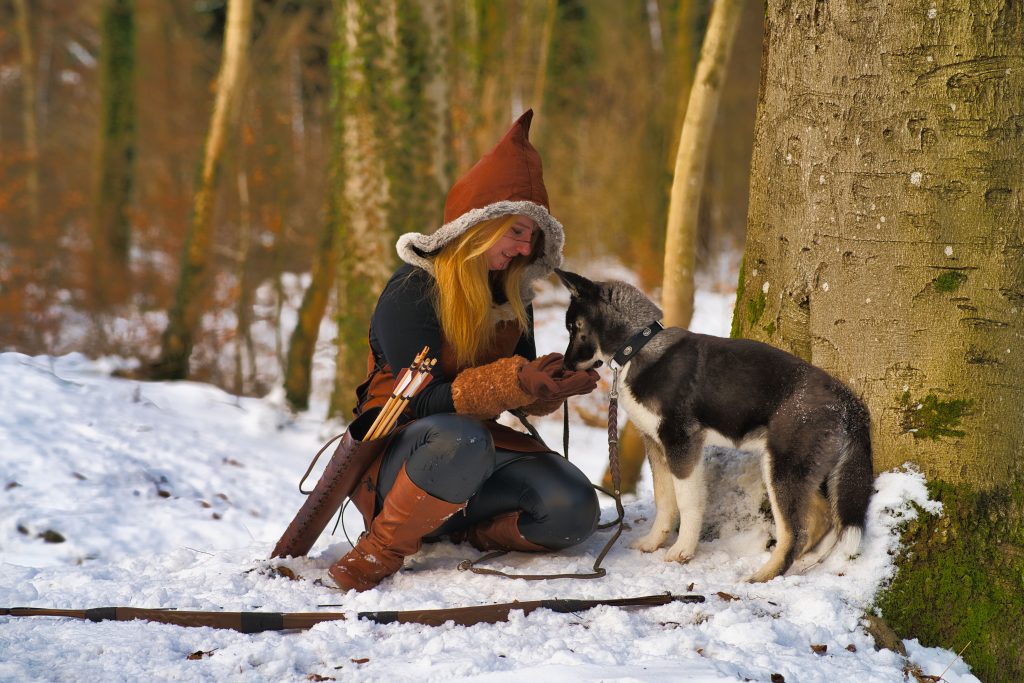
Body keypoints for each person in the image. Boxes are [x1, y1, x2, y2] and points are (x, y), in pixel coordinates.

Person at [329, 110, 602, 592]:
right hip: (408, 457)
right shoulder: (415, 288)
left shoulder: (512, 297)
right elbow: (417, 399)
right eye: (516, 231)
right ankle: (381, 549)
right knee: (460, 438)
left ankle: (460, 532)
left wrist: (547, 387)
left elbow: (515, 388)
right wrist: (515, 381)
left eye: (532, 238)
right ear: (479, 225)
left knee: (572, 509)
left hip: (476, 458)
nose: (524, 249)